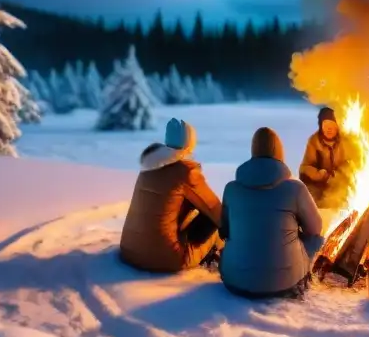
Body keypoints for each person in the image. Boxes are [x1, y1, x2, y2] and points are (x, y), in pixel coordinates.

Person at [219, 127, 325, 299]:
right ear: (280, 153)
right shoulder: (295, 188)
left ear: (253, 151)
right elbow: (315, 229)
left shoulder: (231, 188)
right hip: (285, 283)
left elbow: (225, 230)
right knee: (314, 239)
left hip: (234, 281)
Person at [119, 118, 223, 273]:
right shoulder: (186, 172)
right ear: (190, 143)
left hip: (130, 250)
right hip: (164, 259)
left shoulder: (148, 167)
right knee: (216, 228)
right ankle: (222, 261)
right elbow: (216, 211)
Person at [298, 106, 352, 208]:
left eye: (332, 124)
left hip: (339, 185)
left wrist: (338, 176)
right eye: (325, 124)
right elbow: (305, 167)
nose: (329, 128)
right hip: (319, 185)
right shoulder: (314, 141)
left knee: (345, 197)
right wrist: (319, 174)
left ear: (337, 126)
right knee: (311, 197)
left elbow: (353, 165)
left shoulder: (345, 141)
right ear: (321, 125)